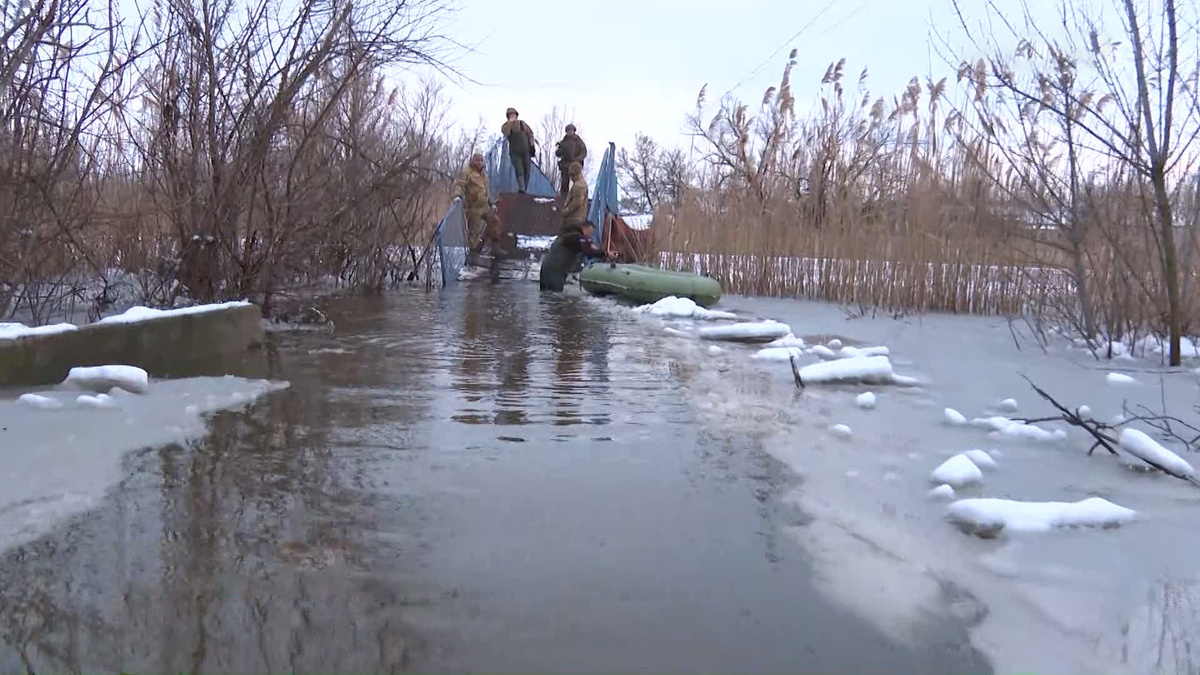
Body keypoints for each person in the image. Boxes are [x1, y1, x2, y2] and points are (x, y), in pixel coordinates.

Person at [539, 220, 611, 292]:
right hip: (555, 270)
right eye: (590, 232)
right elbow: (588, 251)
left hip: (548, 267)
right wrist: (606, 254)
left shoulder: (568, 235)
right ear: (584, 228)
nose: (590, 235)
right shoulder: (576, 237)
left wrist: (590, 246)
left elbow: (584, 249)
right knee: (554, 293)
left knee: (546, 292)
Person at [453, 152, 501, 254]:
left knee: (495, 222)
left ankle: (495, 248)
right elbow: (460, 184)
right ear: (473, 161)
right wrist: (457, 195)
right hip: (473, 207)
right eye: (477, 160)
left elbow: (487, 190)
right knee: (473, 231)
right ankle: (474, 252)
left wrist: (492, 203)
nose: (479, 163)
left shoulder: (483, 173)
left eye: (481, 160)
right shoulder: (467, 171)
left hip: (485, 206)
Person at [501, 107, 537, 193]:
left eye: (513, 115)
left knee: (527, 170)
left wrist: (532, 146)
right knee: (519, 170)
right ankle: (522, 188)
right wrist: (510, 123)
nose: (512, 116)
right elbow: (506, 132)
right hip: (515, 152)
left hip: (526, 150)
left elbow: (530, 134)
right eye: (510, 115)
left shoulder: (522, 124)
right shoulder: (506, 126)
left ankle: (525, 189)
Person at [554, 124, 587, 199]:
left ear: (574, 131)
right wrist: (560, 150)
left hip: (575, 165)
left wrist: (577, 159)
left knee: (577, 183)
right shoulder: (563, 142)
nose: (570, 132)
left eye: (571, 130)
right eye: (568, 130)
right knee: (564, 182)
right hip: (565, 164)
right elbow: (558, 153)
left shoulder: (578, 141)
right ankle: (563, 198)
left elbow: (583, 152)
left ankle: (577, 197)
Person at [558, 162, 588, 231]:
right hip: (575, 218)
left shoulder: (579, 185)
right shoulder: (579, 184)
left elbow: (577, 202)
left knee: (566, 236)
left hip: (574, 218)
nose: (571, 178)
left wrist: (565, 212)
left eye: (572, 175)